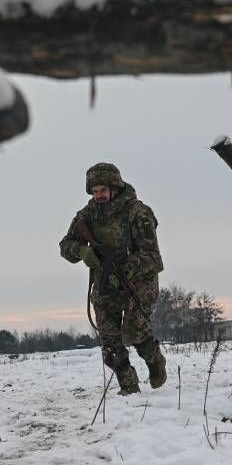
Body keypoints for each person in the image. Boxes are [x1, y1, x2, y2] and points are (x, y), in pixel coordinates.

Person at [59, 162, 166, 395]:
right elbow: (65, 245)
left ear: (115, 187)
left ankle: (155, 361)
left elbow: (153, 256)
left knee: (135, 332)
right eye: (94, 191)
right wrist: (82, 252)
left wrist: (128, 270)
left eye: (103, 191)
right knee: (110, 342)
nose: (99, 196)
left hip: (139, 282)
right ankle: (129, 388)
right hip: (106, 282)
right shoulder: (86, 215)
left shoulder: (138, 212)